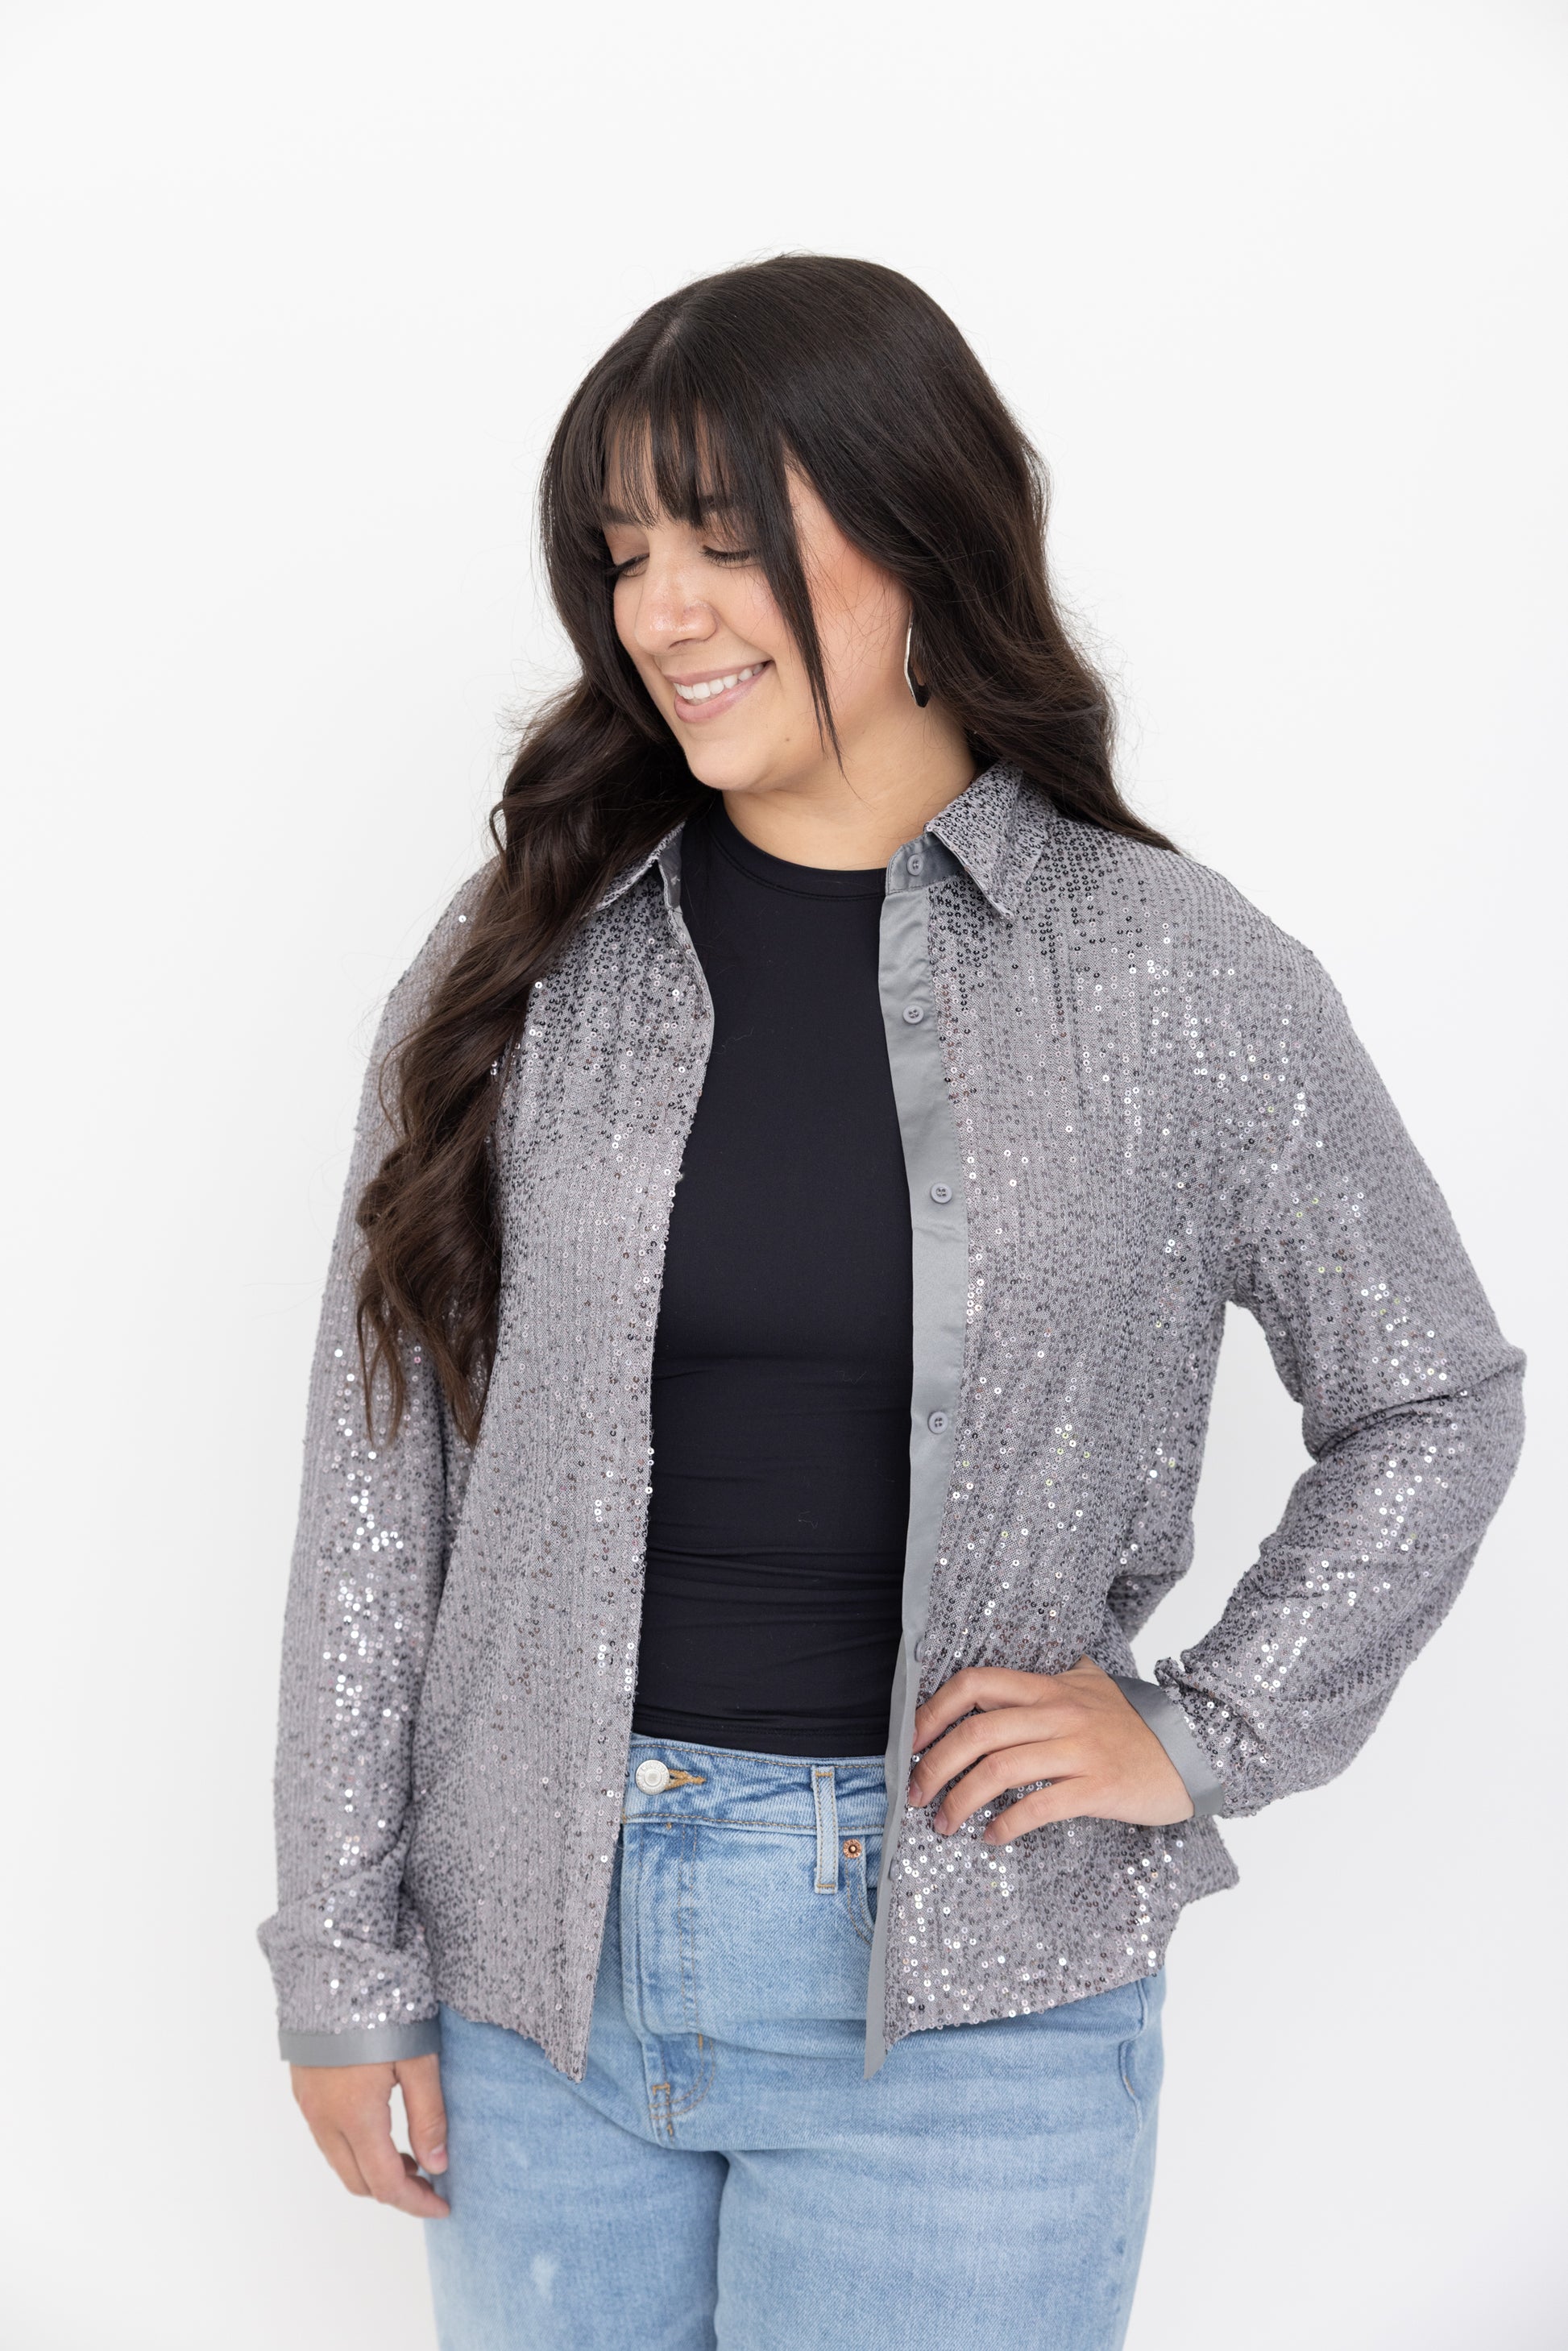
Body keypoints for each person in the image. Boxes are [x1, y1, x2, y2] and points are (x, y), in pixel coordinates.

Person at [259, 255, 1524, 2351]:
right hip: (536, 1981)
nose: (662, 610)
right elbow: (382, 1466)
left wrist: (1207, 1729)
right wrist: (339, 1959)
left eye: (722, 537)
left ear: (921, 529)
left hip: (970, 2002)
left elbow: (1433, 1395)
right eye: (624, 553)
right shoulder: (527, 957)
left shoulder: (1172, 976)